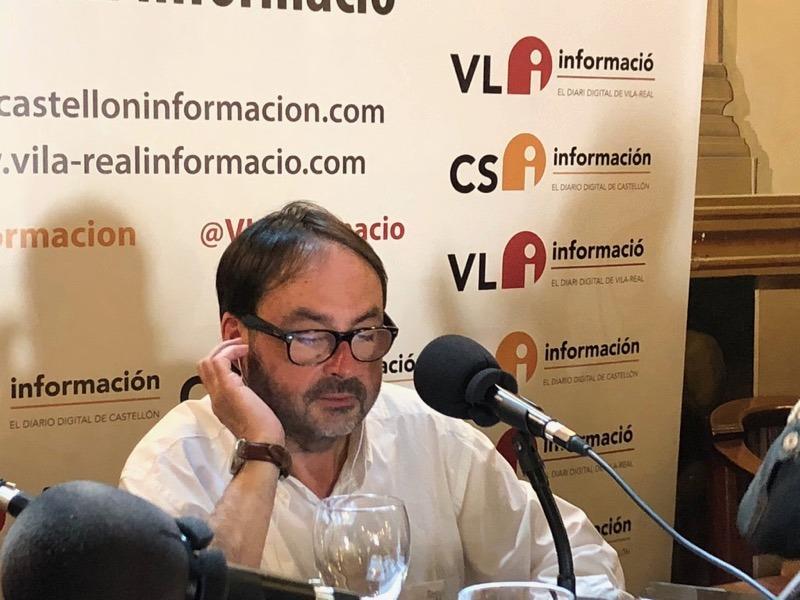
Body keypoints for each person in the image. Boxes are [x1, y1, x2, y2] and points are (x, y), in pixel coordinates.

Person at [120, 201, 627, 599]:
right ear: (237, 336)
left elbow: (579, 560)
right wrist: (260, 450)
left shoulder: (431, 438)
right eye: (311, 337)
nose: (345, 367)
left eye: (364, 333)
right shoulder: (175, 462)